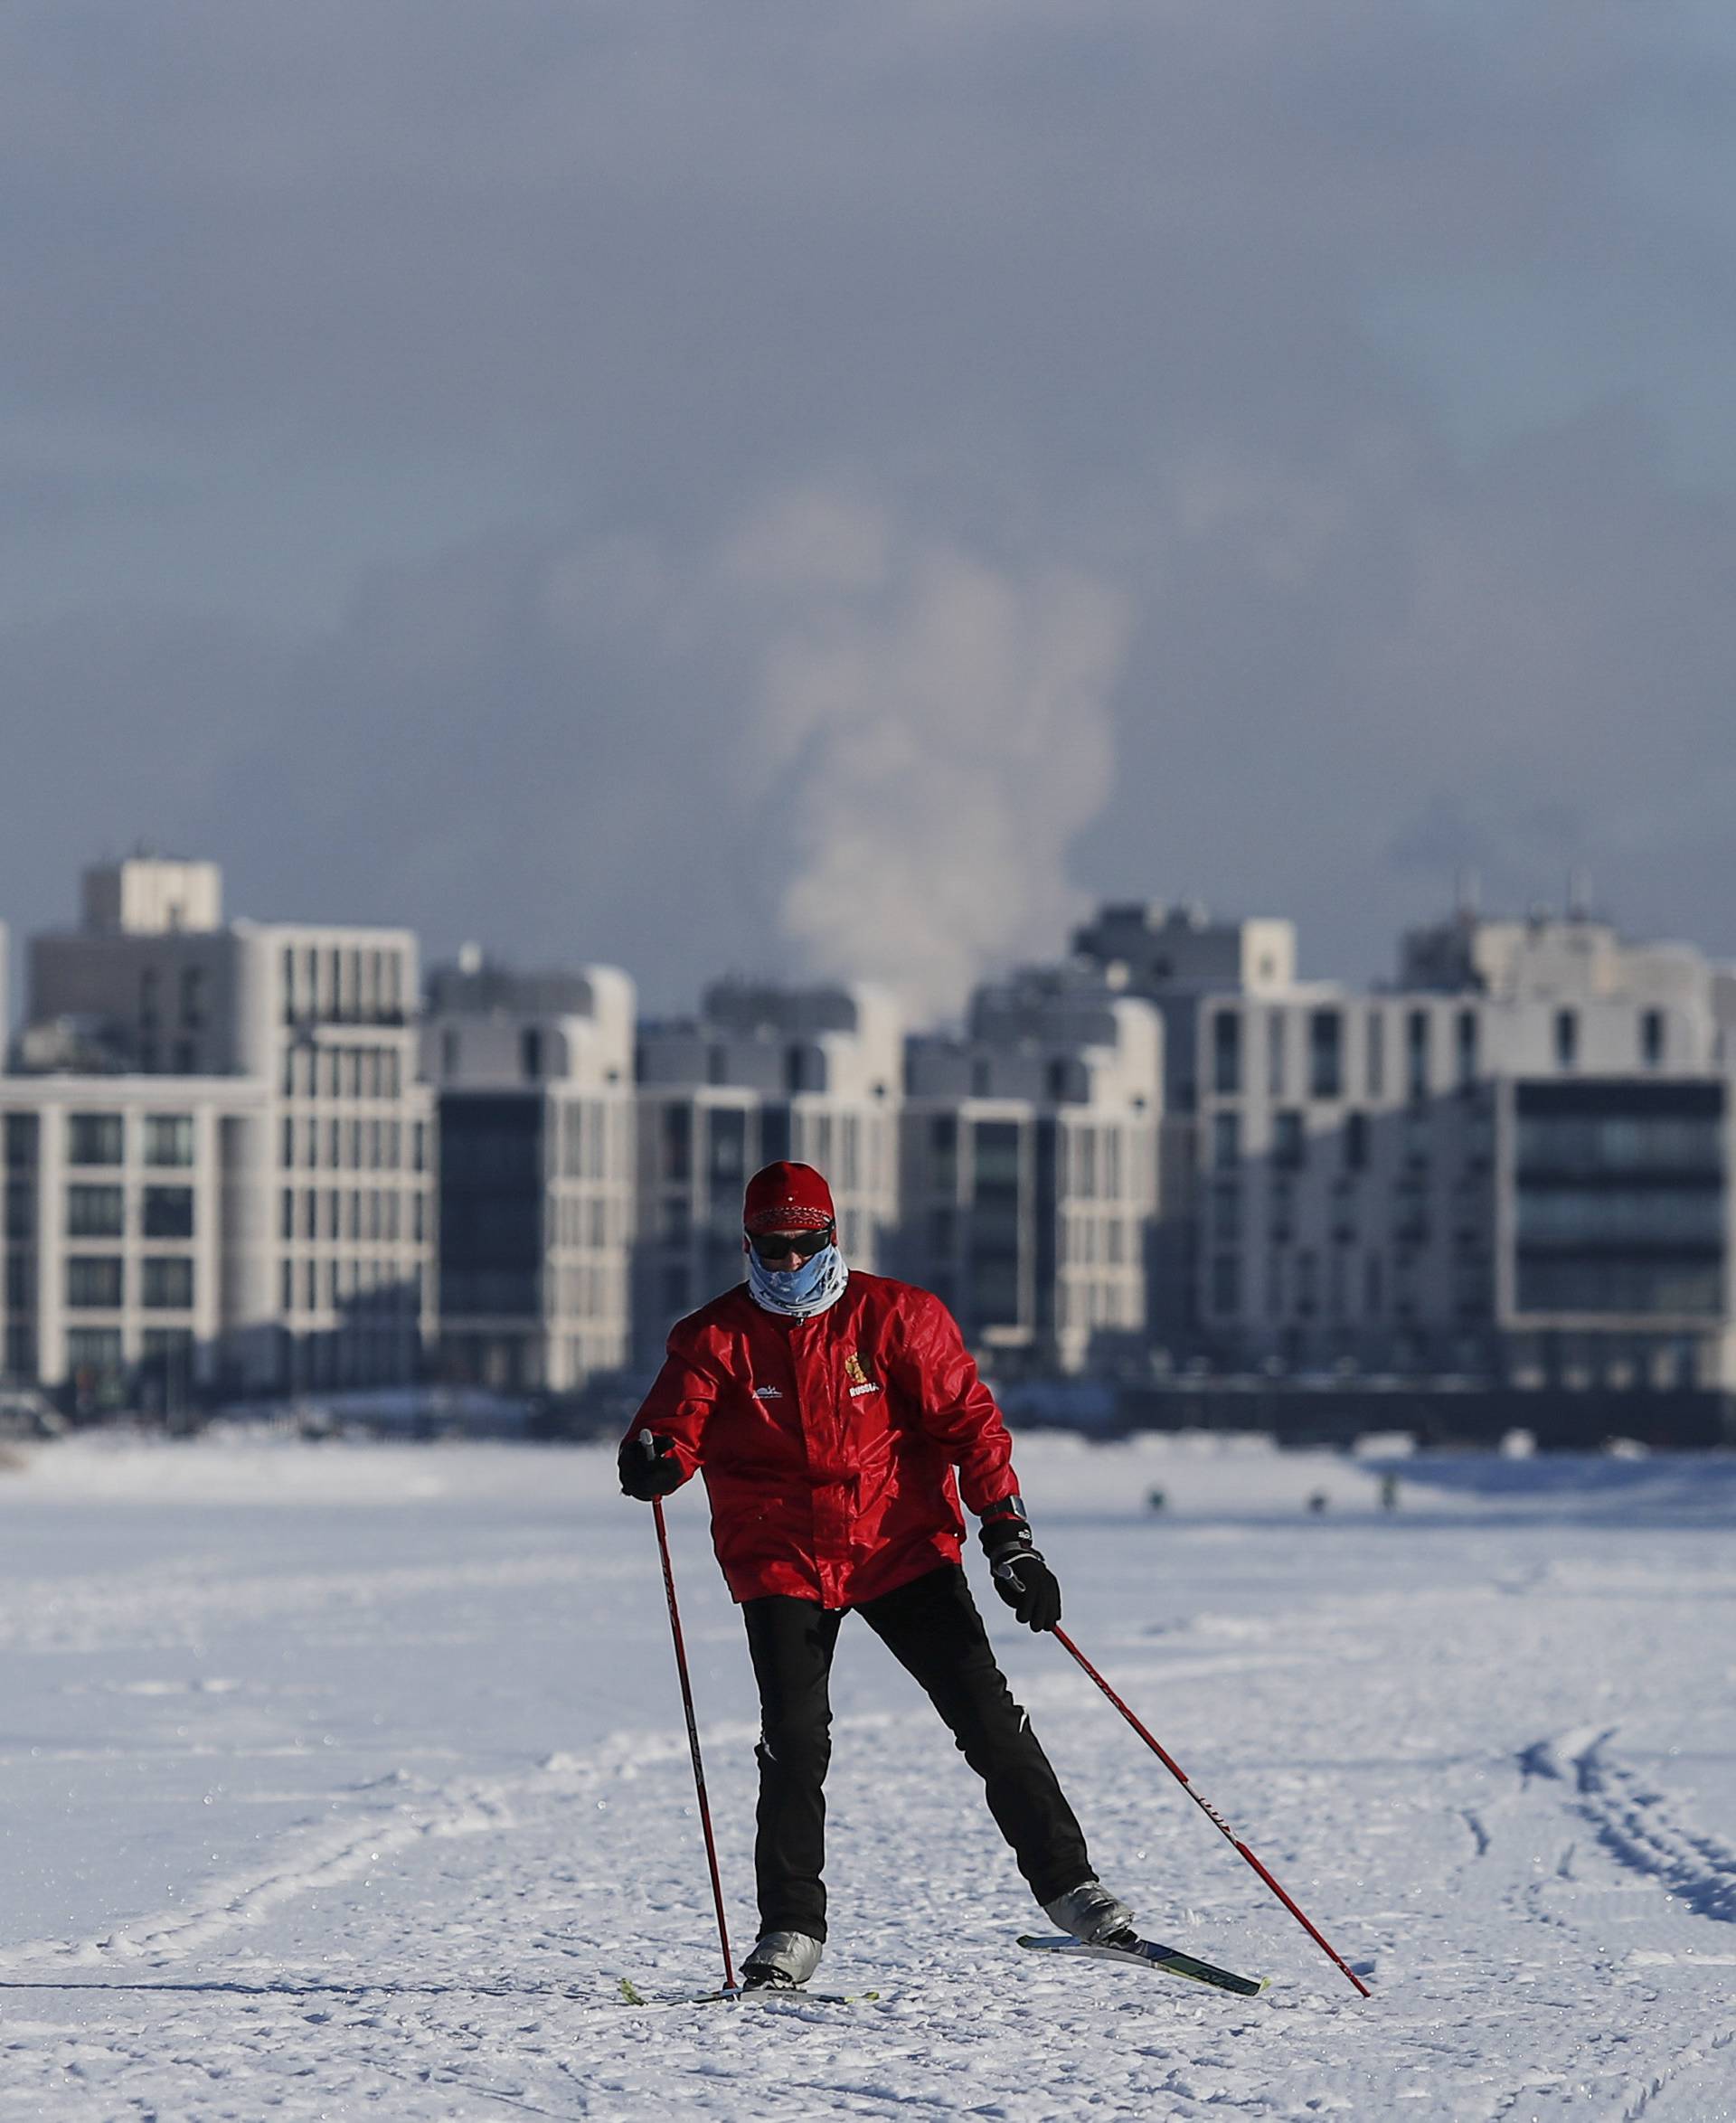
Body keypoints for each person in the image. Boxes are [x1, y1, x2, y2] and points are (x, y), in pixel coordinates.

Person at [619, 1158, 1134, 1991]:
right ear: (747, 1244)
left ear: (831, 1237)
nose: (786, 1264)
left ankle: (1069, 1887)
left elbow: (973, 1429)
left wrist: (1009, 1535)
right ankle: (789, 1929)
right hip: (780, 1555)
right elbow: (674, 1426)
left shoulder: (899, 1318)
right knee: (793, 1742)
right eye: (769, 1248)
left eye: (802, 1245)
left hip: (902, 1548)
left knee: (987, 1716)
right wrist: (654, 1459)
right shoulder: (712, 1337)